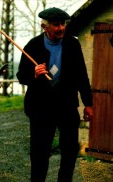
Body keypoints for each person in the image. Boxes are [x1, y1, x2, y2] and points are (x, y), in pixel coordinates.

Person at [16, 7, 93, 182]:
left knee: (70, 151)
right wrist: (33, 74)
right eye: (56, 25)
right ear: (45, 27)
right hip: (40, 109)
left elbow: (82, 75)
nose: (61, 28)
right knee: (39, 153)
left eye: (63, 24)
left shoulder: (72, 44)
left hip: (66, 107)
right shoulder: (33, 46)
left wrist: (88, 103)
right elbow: (21, 76)